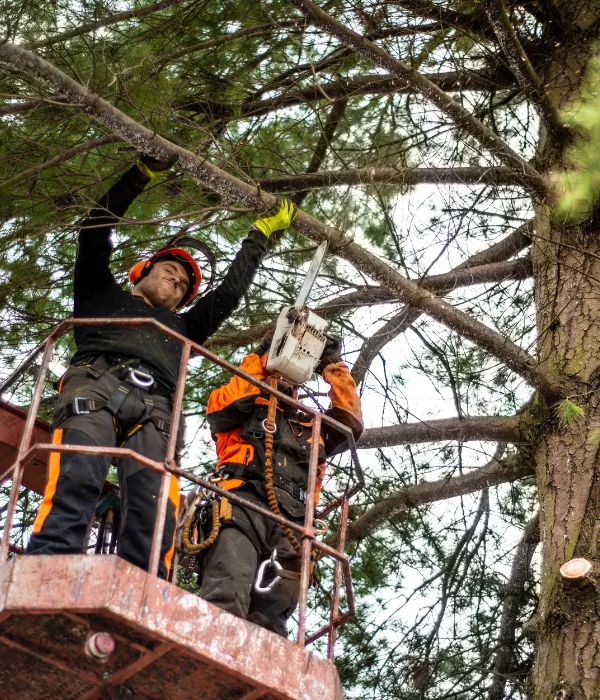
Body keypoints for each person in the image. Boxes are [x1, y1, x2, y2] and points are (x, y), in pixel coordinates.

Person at [27, 155, 297, 579]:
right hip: (95, 386)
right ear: (141, 272)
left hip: (155, 408)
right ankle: (45, 568)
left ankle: (143, 584)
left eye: (184, 285)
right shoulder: (100, 293)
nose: (178, 281)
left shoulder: (186, 326)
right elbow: (94, 230)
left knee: (155, 504)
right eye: (171, 271)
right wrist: (139, 174)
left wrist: (259, 237)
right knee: (78, 473)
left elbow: (227, 296)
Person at [196, 333, 363, 636]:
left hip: (294, 524)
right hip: (241, 505)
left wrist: (333, 365)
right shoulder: (240, 406)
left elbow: (350, 422)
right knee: (227, 591)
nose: (284, 380)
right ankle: (211, 652)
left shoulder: (312, 427)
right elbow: (232, 403)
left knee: (273, 620)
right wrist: (260, 357)